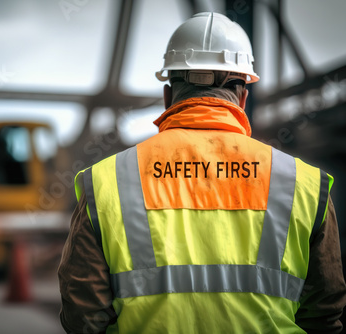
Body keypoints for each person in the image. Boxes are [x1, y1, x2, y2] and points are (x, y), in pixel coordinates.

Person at [58, 12, 346, 333]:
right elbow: (324, 311)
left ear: (168, 96)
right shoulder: (304, 184)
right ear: (243, 97)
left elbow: (83, 314)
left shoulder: (106, 180)